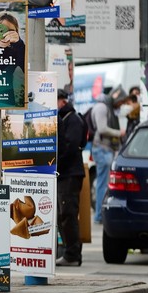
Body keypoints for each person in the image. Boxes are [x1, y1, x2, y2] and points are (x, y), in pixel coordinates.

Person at [56, 88, 85, 266]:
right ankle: (69, 252)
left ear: (63, 101)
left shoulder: (72, 119)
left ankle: (73, 254)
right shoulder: (64, 118)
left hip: (70, 174)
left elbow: (70, 147)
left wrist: (56, 163)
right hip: (65, 173)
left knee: (68, 213)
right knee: (62, 214)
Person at [91, 86, 126, 223]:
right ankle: (99, 215)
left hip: (105, 149)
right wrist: (119, 133)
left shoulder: (107, 107)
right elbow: (102, 128)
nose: (121, 105)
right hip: (102, 148)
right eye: (121, 102)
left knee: (104, 184)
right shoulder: (102, 107)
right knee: (102, 184)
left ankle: (100, 215)